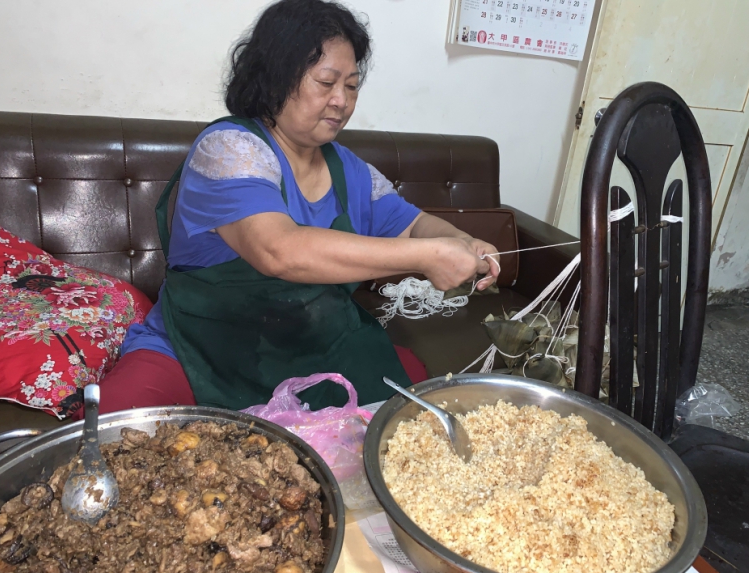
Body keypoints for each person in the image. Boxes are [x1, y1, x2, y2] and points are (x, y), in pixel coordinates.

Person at [95, 0, 499, 414]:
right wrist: (429, 256)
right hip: (199, 349)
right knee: (118, 424)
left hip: (314, 348)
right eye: (326, 82)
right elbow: (280, 251)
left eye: (353, 85)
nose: (342, 101)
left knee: (421, 417)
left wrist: (463, 243)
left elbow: (413, 225)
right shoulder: (230, 149)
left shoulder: (350, 170)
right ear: (275, 78)